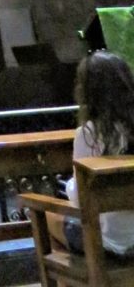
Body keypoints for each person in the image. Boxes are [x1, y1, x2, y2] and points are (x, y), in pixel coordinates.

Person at [53, 50, 134, 256]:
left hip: (112, 242)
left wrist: (69, 186)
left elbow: (81, 196)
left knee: (47, 216)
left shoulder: (89, 133)